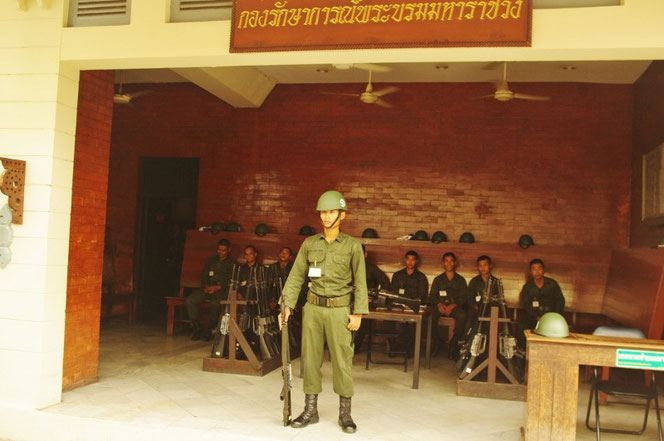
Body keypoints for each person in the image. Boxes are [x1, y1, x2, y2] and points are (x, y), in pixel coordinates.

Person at [279, 190, 367, 434]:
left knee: (342, 361)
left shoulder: (352, 246)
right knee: (310, 359)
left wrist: (358, 313)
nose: (327, 217)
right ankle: (310, 410)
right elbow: (296, 276)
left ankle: (345, 414)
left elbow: (360, 281)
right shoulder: (310, 244)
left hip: (340, 310)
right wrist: (286, 306)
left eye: (331, 212)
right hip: (313, 308)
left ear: (342, 215)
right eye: (323, 212)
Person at [185, 239, 233, 341]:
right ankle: (197, 327)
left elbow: (231, 281)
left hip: (220, 291)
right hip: (207, 289)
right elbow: (204, 275)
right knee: (190, 300)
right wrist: (206, 286)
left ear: (229, 250)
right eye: (219, 249)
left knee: (216, 303)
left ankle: (210, 329)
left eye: (223, 250)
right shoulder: (211, 261)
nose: (221, 252)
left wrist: (217, 288)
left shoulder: (232, 264)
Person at [517, 258, 565, 348]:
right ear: (531, 271)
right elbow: (526, 305)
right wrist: (537, 317)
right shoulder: (527, 287)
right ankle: (523, 351)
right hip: (534, 317)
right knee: (521, 328)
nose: (537, 271)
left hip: (551, 317)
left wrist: (554, 316)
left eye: (539, 268)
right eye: (534, 269)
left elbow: (560, 300)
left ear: (543, 270)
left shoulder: (552, 284)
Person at [429, 252, 468, 359]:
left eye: (451, 261)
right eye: (446, 261)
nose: (449, 263)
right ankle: (437, 342)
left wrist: (453, 305)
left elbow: (464, 297)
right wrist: (439, 304)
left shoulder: (460, 280)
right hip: (440, 307)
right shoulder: (438, 279)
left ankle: (453, 343)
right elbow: (432, 296)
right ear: (443, 264)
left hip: (455, 307)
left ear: (455, 263)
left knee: (463, 315)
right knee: (430, 315)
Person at [354, 244, 390, 353]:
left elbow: (385, 284)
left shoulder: (372, 268)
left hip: (367, 303)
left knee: (363, 322)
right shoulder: (347, 268)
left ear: (365, 254)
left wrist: (375, 298)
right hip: (349, 302)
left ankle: (355, 346)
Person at [466, 255, 501, 324]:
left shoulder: (496, 282)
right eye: (480, 266)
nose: (483, 268)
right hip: (477, 309)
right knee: (470, 317)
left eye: (485, 265)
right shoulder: (474, 281)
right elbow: (469, 298)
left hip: (491, 309)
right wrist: (475, 306)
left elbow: (499, 298)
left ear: (490, 266)